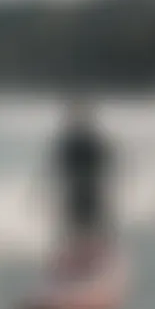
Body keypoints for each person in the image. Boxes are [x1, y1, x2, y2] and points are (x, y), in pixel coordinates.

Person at [49, 97, 115, 272]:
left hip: (90, 191)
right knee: (74, 230)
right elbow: (58, 169)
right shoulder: (70, 142)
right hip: (75, 192)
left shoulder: (91, 140)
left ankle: (96, 267)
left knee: (92, 229)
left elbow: (105, 165)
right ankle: (75, 269)